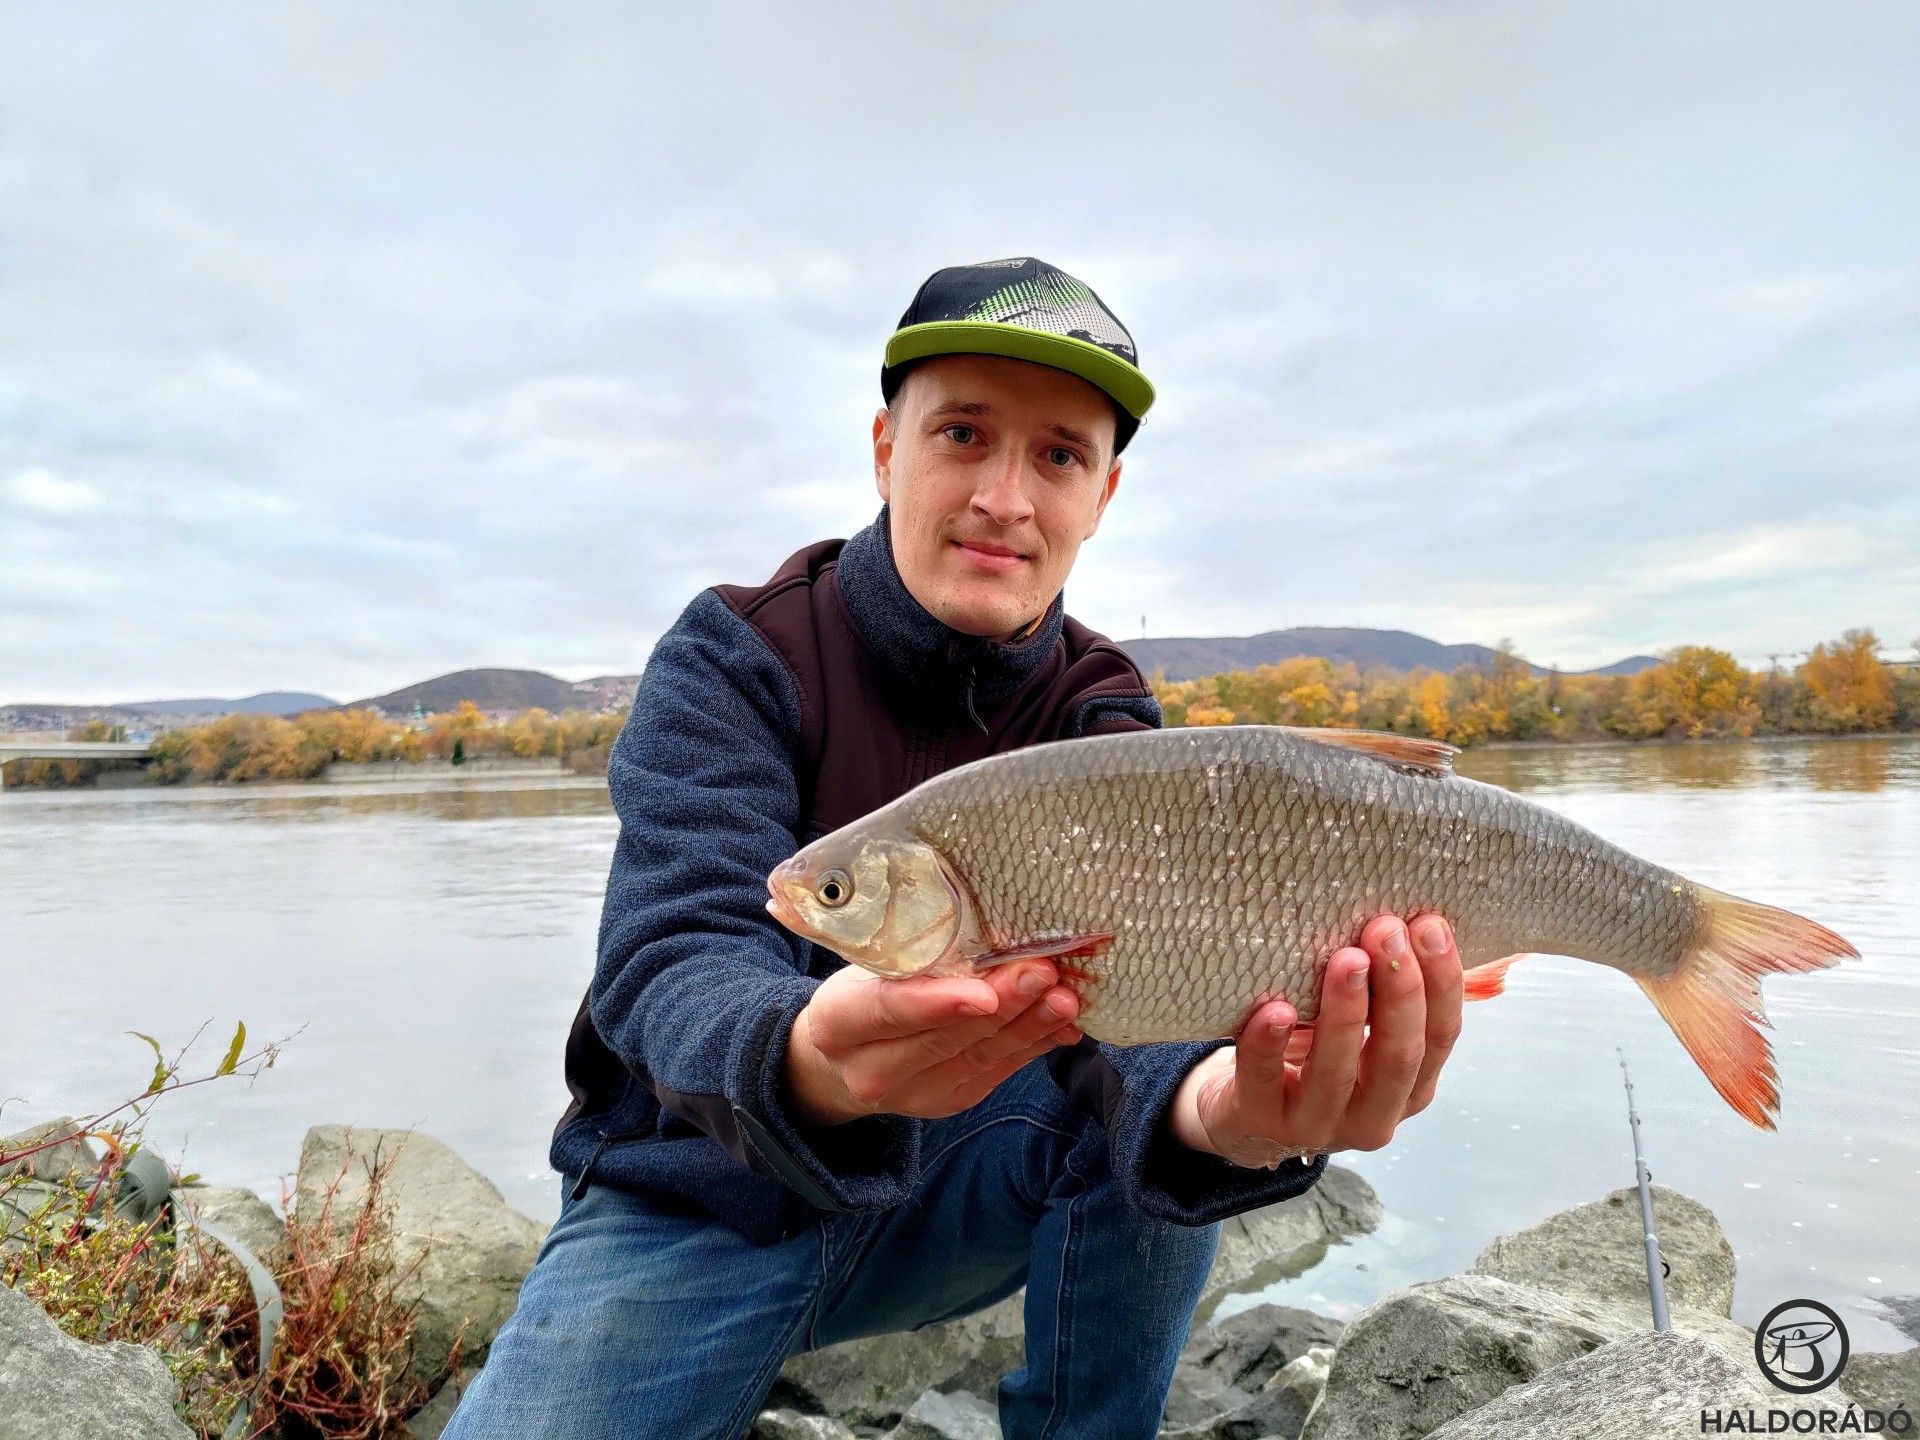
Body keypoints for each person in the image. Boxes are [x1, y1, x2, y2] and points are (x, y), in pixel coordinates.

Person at [445, 257, 1466, 1440]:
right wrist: (807, 1062)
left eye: (1059, 456)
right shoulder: (734, 655)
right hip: (702, 1198)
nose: (1004, 497)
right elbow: (670, 958)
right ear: (886, 447)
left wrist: (1222, 1114)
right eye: (964, 434)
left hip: (972, 1177)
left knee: (1148, 1154)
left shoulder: (1102, 707)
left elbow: (1126, 1030)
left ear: (1105, 495)